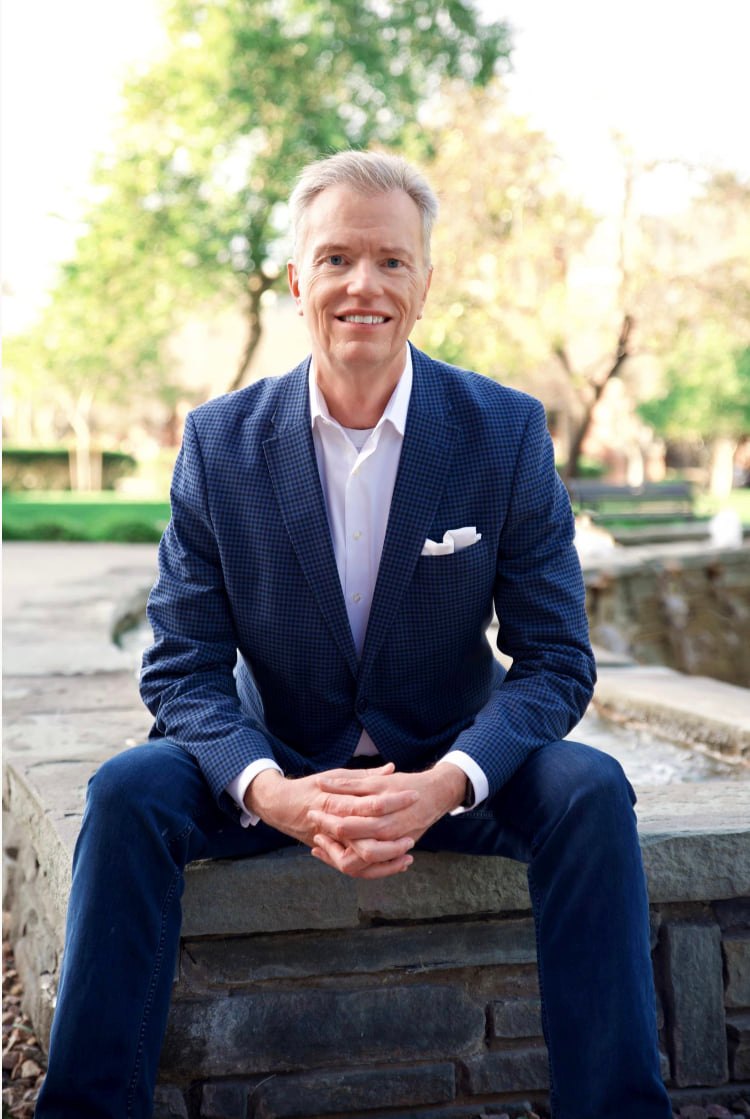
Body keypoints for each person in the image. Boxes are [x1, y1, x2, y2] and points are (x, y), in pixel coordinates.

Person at [36, 150, 671, 1119]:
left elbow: (555, 661)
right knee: (126, 791)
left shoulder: (503, 433)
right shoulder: (219, 444)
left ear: (425, 281)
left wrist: (450, 781)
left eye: (390, 261)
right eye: (335, 259)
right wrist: (273, 792)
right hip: (278, 755)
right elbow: (180, 668)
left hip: (451, 762)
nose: (361, 285)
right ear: (298, 282)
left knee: (591, 790)